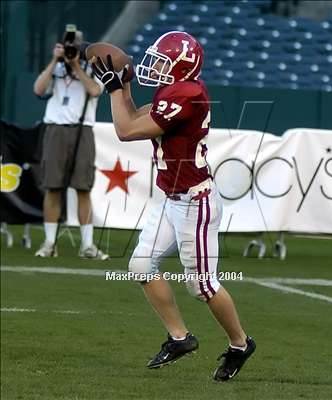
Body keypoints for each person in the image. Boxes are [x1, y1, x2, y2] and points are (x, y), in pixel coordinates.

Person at [93, 31, 255, 381]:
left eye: (164, 62)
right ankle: (180, 338)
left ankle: (240, 344)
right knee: (140, 265)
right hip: (172, 198)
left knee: (203, 285)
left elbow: (125, 130)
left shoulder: (187, 94)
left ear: (182, 66)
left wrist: (114, 90)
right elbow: (135, 117)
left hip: (195, 203)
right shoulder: (176, 91)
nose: (157, 68)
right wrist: (123, 87)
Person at [34, 30, 108, 260]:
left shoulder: (92, 70)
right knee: (53, 187)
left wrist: (76, 66)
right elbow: (38, 89)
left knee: (83, 188)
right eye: (67, 47)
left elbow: (95, 90)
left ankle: (87, 245)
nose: (70, 51)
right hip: (55, 128)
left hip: (82, 129)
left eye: (74, 48)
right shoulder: (55, 69)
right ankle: (49, 243)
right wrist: (54, 61)